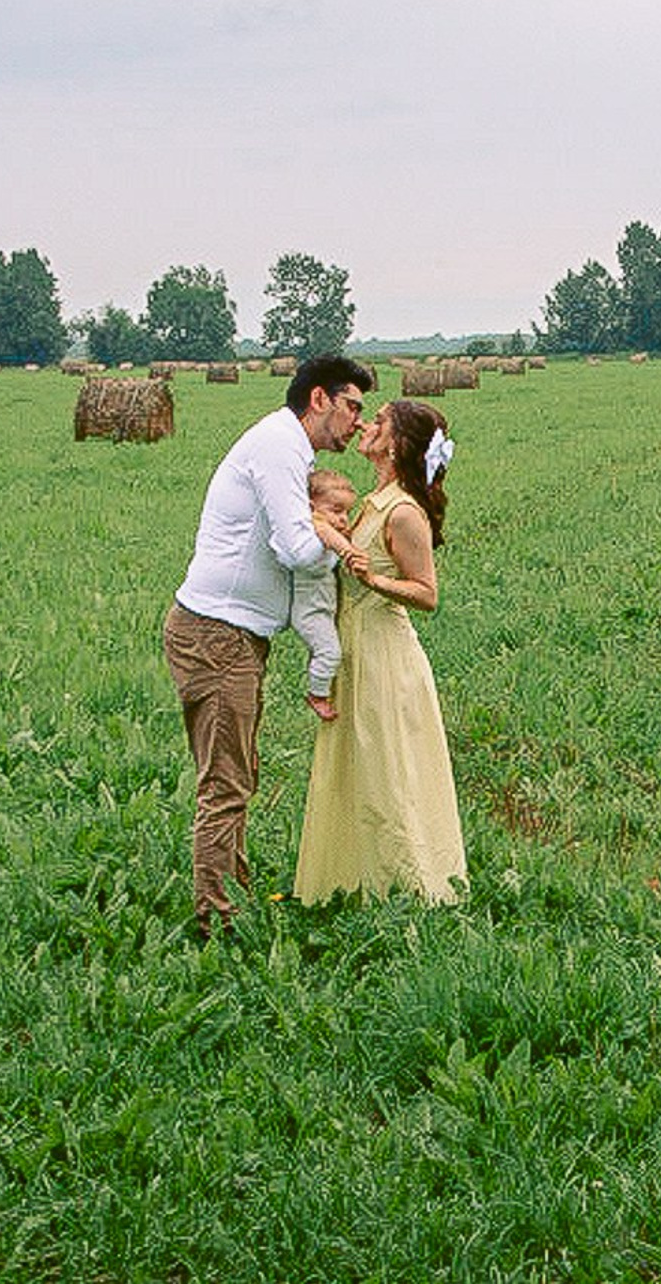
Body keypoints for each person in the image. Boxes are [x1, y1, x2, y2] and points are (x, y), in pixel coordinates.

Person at [164, 354, 377, 934]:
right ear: (319, 400)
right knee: (226, 783)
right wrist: (341, 542)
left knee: (238, 773)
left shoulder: (288, 445)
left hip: (228, 633)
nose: (358, 422)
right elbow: (296, 550)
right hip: (217, 634)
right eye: (352, 406)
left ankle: (232, 891)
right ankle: (218, 922)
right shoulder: (280, 446)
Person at [293, 397, 467, 906]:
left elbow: (427, 594)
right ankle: (352, 883)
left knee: (388, 768)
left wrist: (376, 582)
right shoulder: (372, 501)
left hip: (385, 654)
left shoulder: (405, 511)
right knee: (357, 770)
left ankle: (406, 888)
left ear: (399, 444)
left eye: (381, 421)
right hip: (353, 647)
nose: (367, 424)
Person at [292, 468, 360, 720]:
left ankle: (319, 679)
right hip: (310, 612)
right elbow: (327, 533)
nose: (344, 519)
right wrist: (348, 551)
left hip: (322, 609)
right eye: (337, 511)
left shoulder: (326, 529)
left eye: (347, 513)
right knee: (330, 652)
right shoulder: (314, 527)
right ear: (312, 507)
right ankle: (317, 694)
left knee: (325, 649)